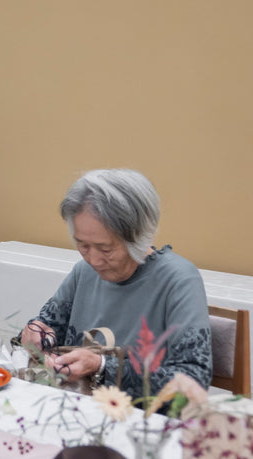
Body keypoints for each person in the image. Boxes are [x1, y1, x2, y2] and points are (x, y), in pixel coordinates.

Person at [20, 169, 211, 396]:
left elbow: (193, 379)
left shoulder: (178, 279)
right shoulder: (84, 271)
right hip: (76, 408)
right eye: (83, 245)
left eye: (106, 248)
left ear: (138, 237)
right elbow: (48, 327)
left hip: (142, 420)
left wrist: (101, 366)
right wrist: (38, 334)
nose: (93, 259)